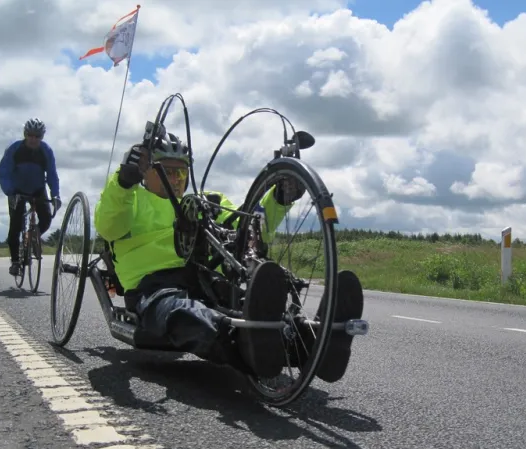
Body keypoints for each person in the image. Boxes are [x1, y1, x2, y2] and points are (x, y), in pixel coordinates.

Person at [94, 127, 364, 381]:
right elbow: (109, 225)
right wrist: (123, 182)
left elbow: (249, 228)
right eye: (167, 171)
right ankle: (244, 339)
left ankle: (313, 338)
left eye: (181, 172)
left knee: (249, 303)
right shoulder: (129, 198)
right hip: (153, 287)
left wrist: (280, 197)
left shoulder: (207, 202)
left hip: (207, 280)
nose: (176, 179)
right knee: (185, 313)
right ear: (146, 171)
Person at [0, 118, 62, 276]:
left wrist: (55, 195)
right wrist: (10, 192)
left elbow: (52, 174)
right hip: (16, 190)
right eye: (30, 135)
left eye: (37, 136)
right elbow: (4, 172)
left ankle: (32, 235)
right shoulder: (15, 149)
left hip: (38, 189)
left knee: (46, 219)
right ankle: (15, 261)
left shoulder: (46, 151)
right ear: (25, 134)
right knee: (15, 227)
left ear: (42, 137)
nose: (33, 139)